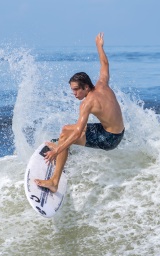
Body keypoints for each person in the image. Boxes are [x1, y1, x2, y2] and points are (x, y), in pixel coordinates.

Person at [35, 32, 125, 193]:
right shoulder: (102, 84)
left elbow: (77, 133)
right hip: (116, 131)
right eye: (72, 90)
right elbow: (105, 64)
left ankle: (54, 182)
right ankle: (65, 155)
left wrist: (57, 150)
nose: (74, 94)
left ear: (86, 87)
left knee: (65, 137)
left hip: (109, 139)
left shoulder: (87, 104)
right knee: (64, 129)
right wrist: (99, 46)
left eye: (76, 90)